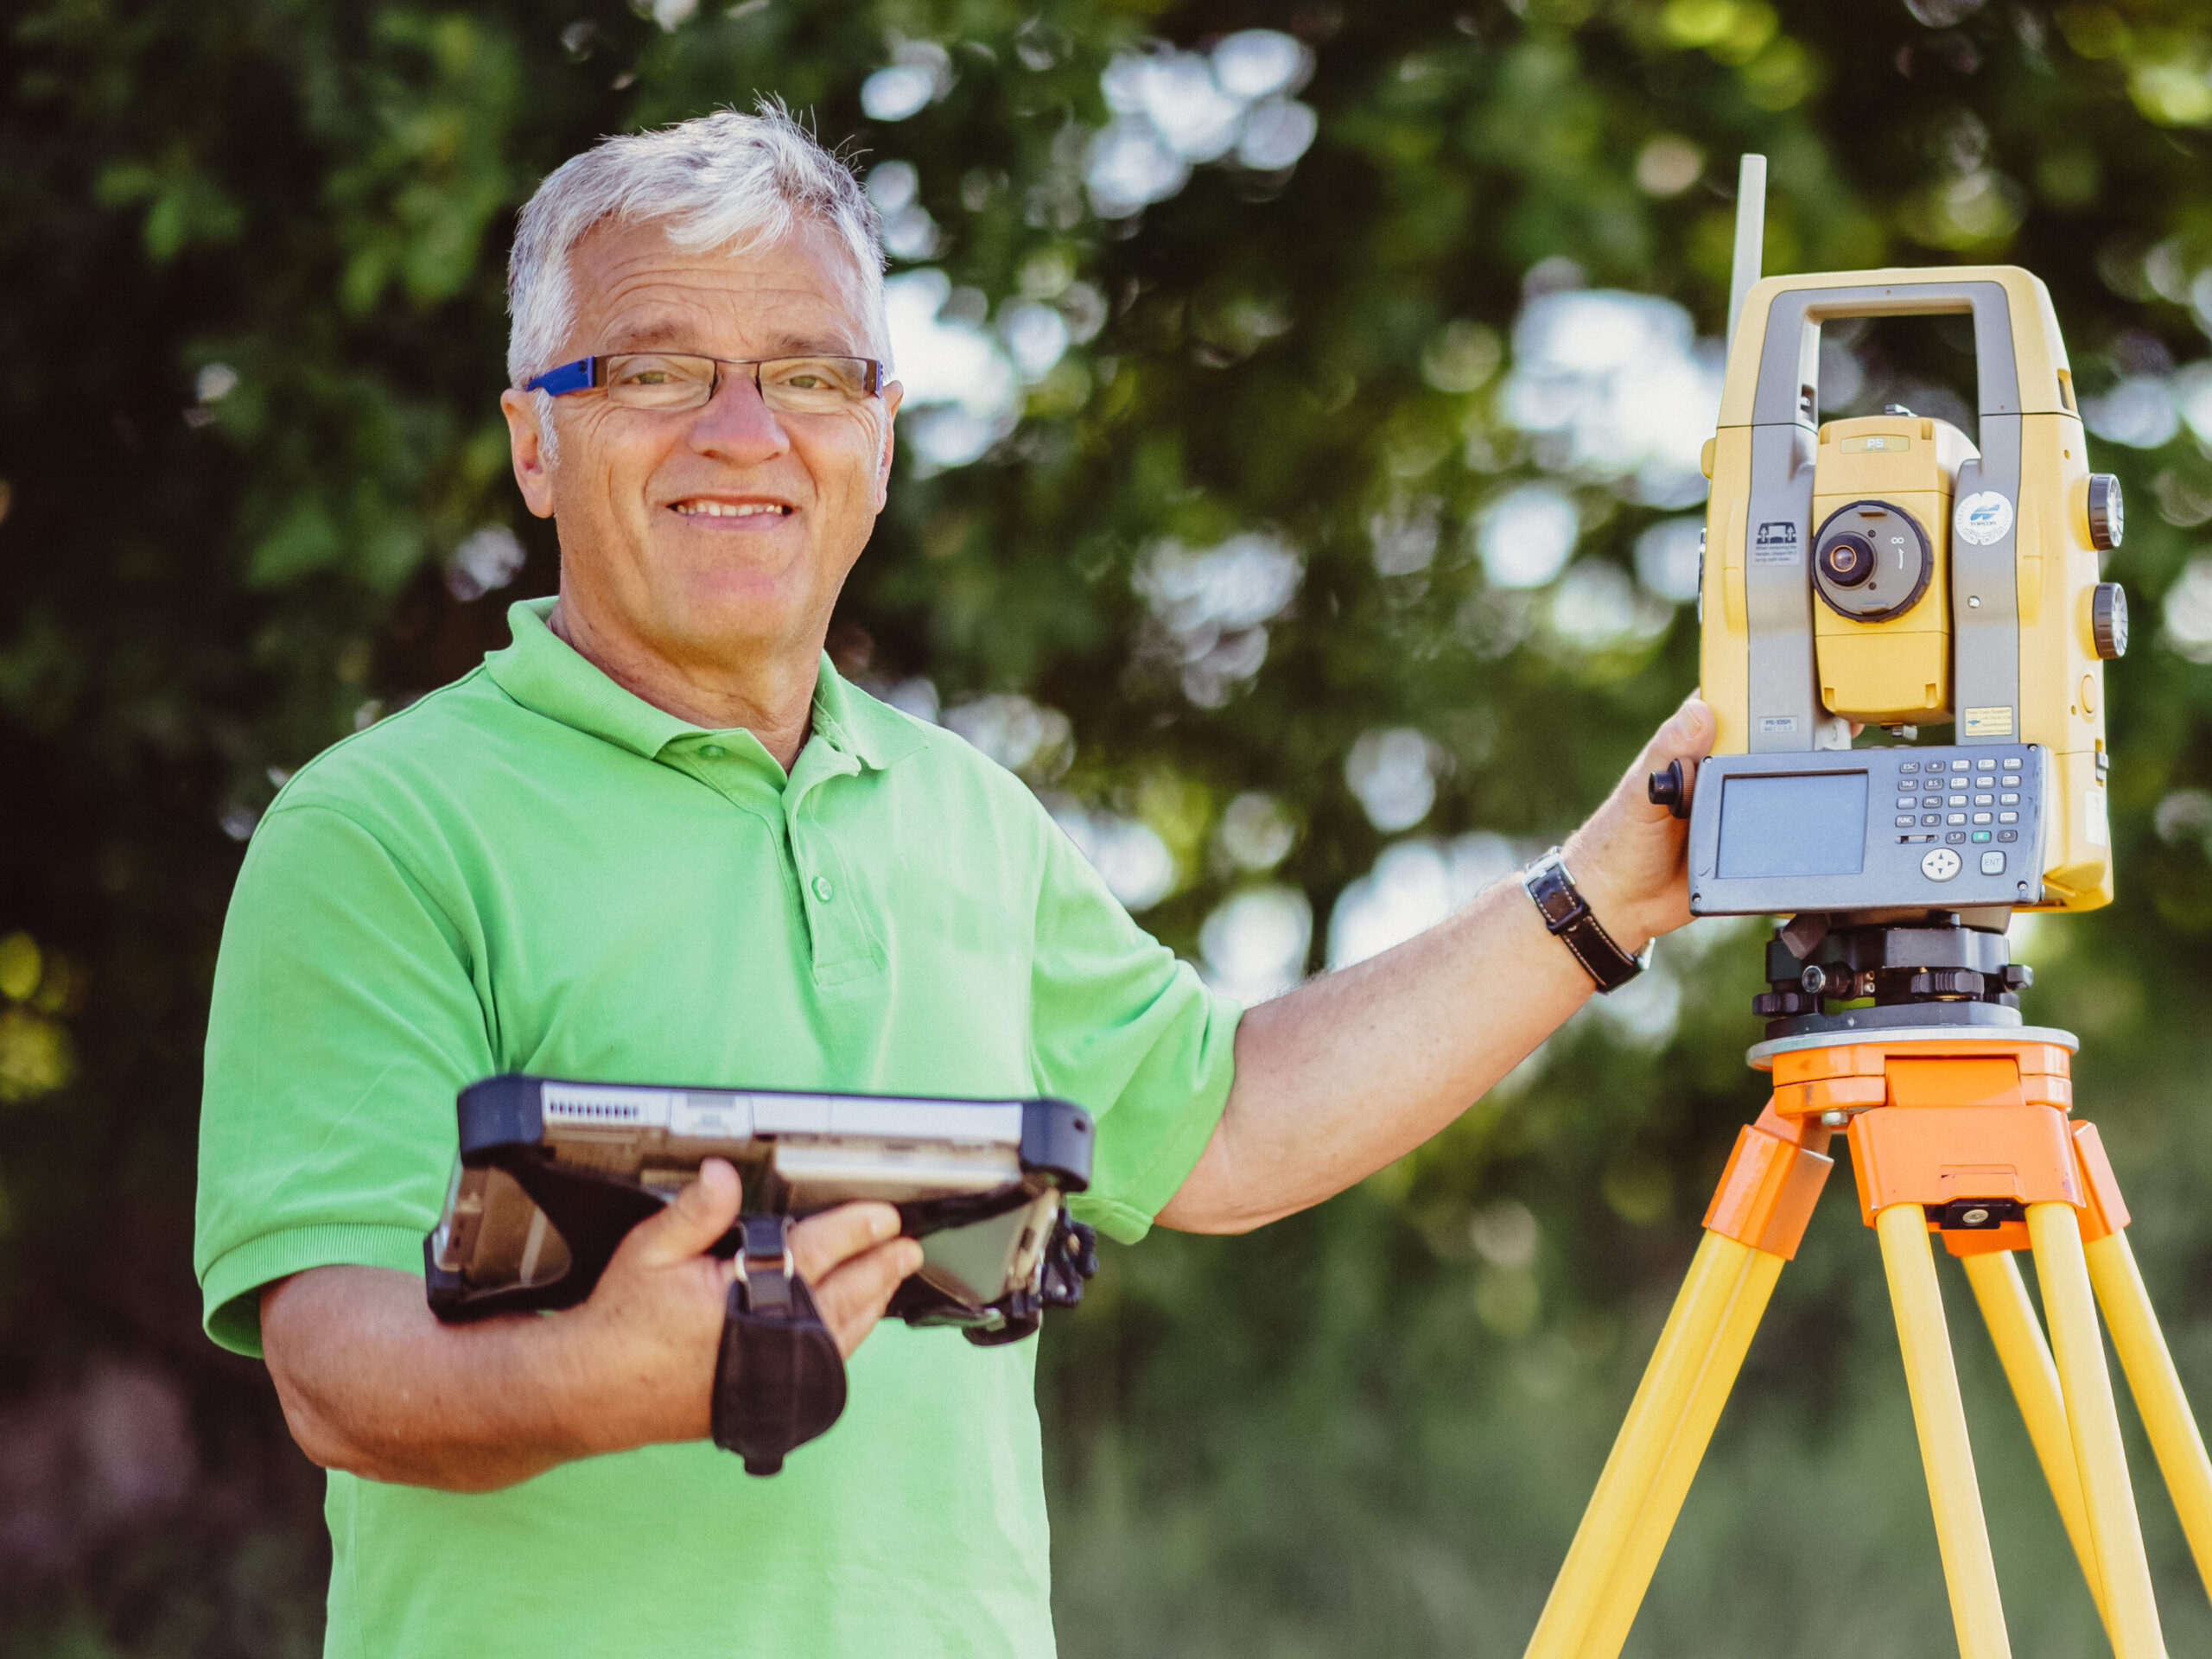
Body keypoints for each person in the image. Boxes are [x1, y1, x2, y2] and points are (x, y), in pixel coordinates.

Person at [194, 106, 1714, 1658]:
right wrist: (617, 1377)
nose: (742, 430)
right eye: (655, 370)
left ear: (880, 440)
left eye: (807, 373)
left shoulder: (970, 819)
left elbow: (1229, 1124)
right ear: (536, 439)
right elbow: (335, 1366)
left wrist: (1603, 894)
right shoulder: (377, 832)